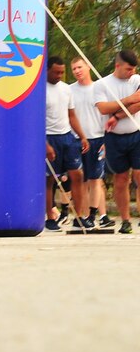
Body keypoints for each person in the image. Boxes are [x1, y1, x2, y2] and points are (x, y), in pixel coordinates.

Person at [93, 49, 140, 234]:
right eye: (128, 69)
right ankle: (126, 221)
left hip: (136, 133)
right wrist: (129, 99)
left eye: (134, 69)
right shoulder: (102, 84)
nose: (132, 73)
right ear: (118, 66)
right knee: (121, 179)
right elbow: (104, 108)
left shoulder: (136, 80)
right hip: (114, 138)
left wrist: (118, 115)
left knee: (139, 174)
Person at [44, 56, 89, 231]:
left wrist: (82, 136)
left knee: (77, 175)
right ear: (47, 70)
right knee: (49, 180)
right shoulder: (41, 90)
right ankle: (50, 218)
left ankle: (78, 217)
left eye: (62, 72)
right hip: (49, 137)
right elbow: (36, 120)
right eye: (56, 72)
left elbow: (71, 115)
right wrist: (45, 144)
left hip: (67, 137)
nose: (59, 75)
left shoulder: (65, 89)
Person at [70, 57, 114, 229]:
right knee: (81, 180)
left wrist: (107, 139)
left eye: (80, 67)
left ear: (88, 66)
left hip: (98, 138)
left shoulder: (100, 88)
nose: (77, 71)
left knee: (96, 179)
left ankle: (94, 215)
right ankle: (82, 215)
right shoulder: (70, 90)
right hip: (77, 140)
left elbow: (109, 114)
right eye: (74, 69)